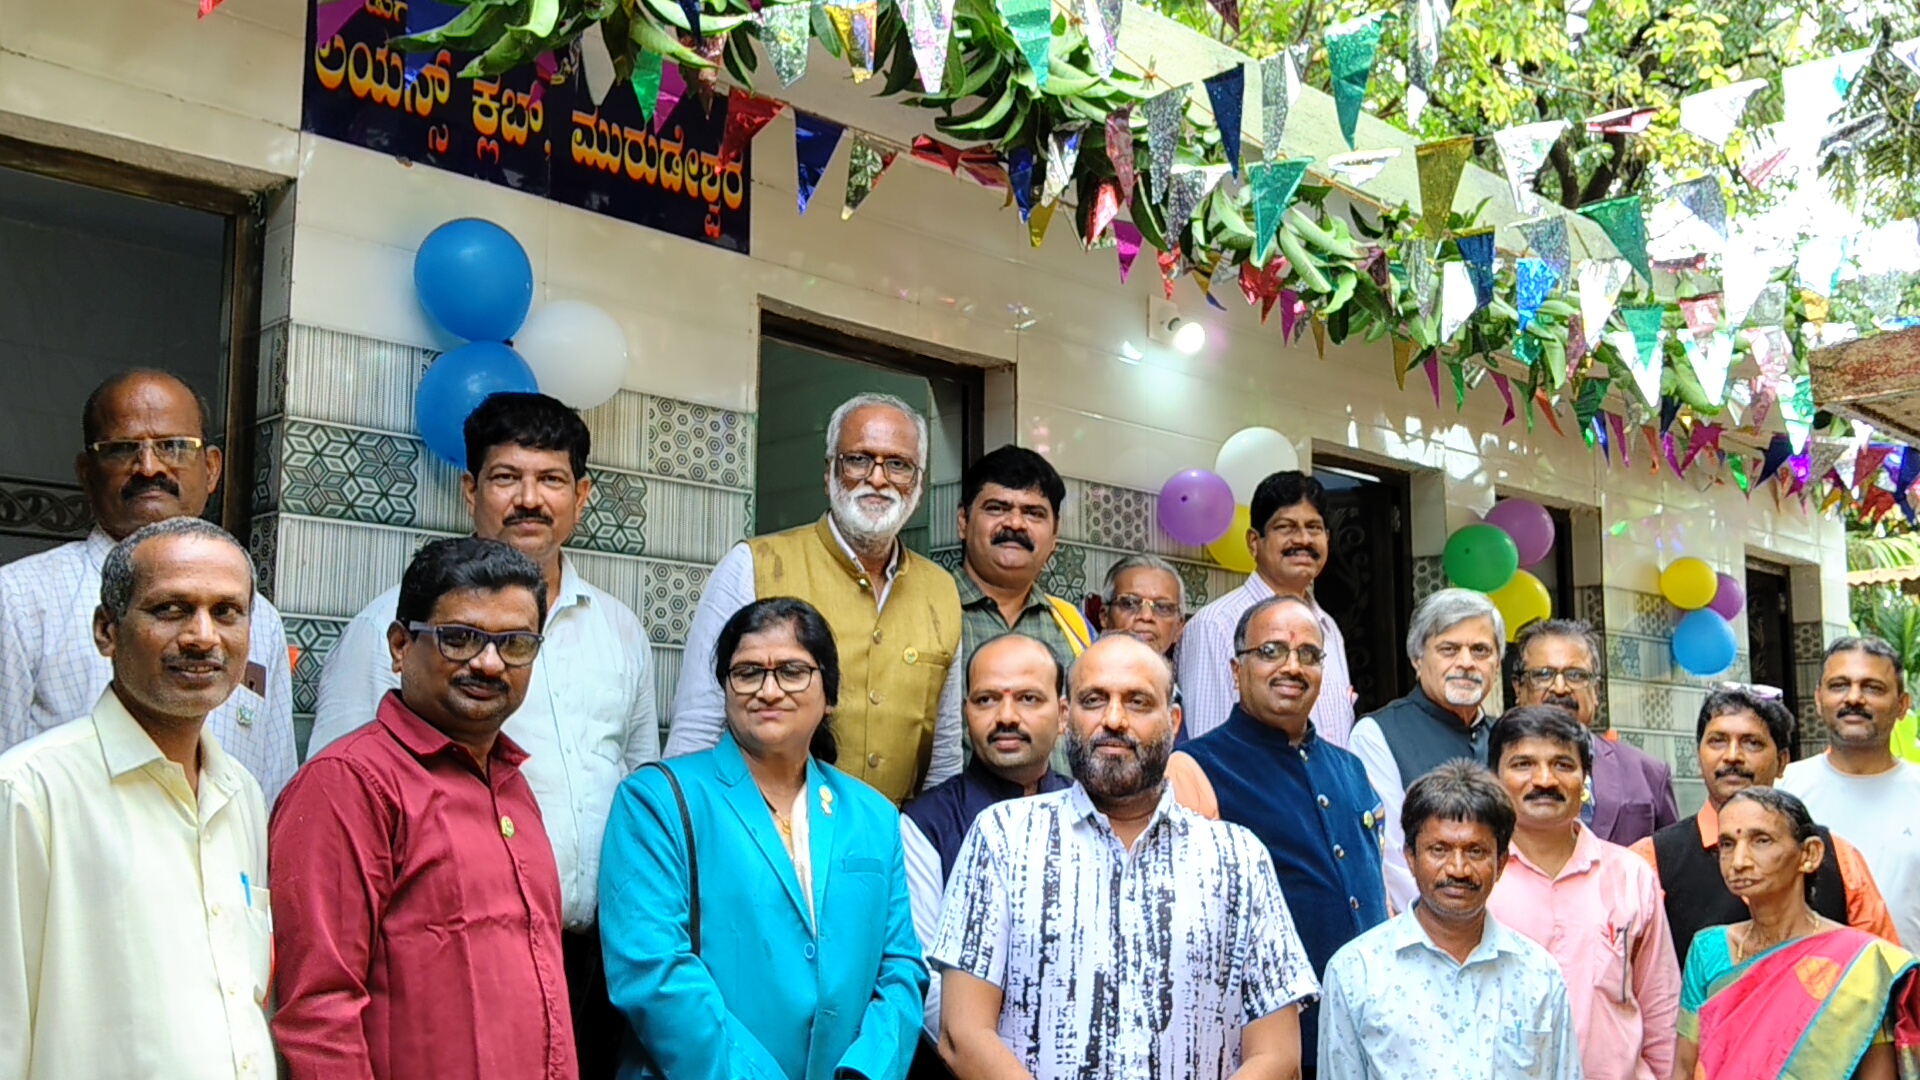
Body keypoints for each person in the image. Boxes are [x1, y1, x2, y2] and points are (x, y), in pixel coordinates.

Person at [311, 391, 654, 1076]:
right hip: (444, 962)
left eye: (551, 479)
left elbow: (639, 781)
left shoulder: (620, 629)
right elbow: (336, 796)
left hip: (597, 964)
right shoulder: (401, 625)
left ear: (581, 496)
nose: (530, 499)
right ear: (471, 490)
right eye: (507, 478)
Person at [932, 634, 1318, 1080]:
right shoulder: (1002, 837)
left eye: (1137, 702)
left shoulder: (1238, 858)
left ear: (1173, 721)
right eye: (1094, 700)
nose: (1113, 720)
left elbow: (1278, 1056)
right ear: (1065, 717)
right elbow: (962, 1034)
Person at [271, 537, 576, 1079]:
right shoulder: (350, 785)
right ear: (398, 646)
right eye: (459, 638)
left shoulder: (513, 786)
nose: (488, 663)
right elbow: (320, 1013)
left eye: (515, 644)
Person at [599, 597, 926, 1080]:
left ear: (829, 691)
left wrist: (866, 1072)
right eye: (747, 672)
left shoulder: (873, 815)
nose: (768, 690)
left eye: (792, 671)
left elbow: (900, 968)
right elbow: (653, 973)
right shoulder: (656, 801)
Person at [0, 517, 274, 1079]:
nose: (203, 636)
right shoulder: (29, 794)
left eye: (227, 612)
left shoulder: (240, 794)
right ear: (107, 631)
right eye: (170, 609)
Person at [0, 369, 295, 802]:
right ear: (86, 473)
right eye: (122, 450)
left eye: (174, 446)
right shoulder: (18, 600)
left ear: (211, 469)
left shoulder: (259, 619)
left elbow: (273, 787)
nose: (149, 467)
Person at [668, 393, 962, 806]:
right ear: (828, 474)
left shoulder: (941, 591)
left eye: (898, 465)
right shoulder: (752, 565)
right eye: (858, 459)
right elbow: (698, 730)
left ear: (918, 482)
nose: (877, 478)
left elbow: (944, 759)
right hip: (761, 836)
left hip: (889, 847)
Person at [1166, 594, 1389, 1077]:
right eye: (1271, 651)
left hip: (1370, 1037)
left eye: (1308, 654)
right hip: (1265, 1048)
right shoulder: (1195, 769)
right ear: (1235, 668)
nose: (1292, 666)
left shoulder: (1349, 768)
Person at [1317, 762, 1581, 1080]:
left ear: (1500, 863)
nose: (1457, 869)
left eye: (1475, 851)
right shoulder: (1356, 972)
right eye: (1439, 850)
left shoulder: (1539, 975)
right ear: (1411, 857)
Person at [899, 633, 1070, 1069]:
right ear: (965, 713)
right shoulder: (926, 824)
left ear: (1064, 714)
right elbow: (924, 981)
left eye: (1029, 699)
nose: (1006, 717)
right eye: (987, 700)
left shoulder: (1089, 813)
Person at [1630, 686, 1897, 963]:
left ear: (1782, 762)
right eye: (1717, 741)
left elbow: (1882, 974)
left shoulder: (1834, 856)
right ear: (1699, 758)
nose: (1732, 756)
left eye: (1752, 743)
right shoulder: (1650, 861)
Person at [1483, 706, 1679, 1080]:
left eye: (1563, 765)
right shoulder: (1476, 881)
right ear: (1495, 778)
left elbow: (1661, 1006)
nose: (1544, 779)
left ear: (1586, 779)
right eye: (1523, 764)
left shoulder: (1630, 875)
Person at [1672, 787, 1920, 1080]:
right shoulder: (1708, 949)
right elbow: (1685, 1068)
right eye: (1727, 844)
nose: (1738, 861)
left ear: (1809, 854)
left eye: (1761, 840)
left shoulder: (1861, 964)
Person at [1347, 588, 1504, 910]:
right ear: (1417, 659)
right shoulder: (1378, 735)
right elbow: (1391, 859)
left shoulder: (1508, 740)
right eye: (1449, 649)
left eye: (1480, 650)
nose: (1466, 663)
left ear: (1497, 664)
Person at [1179, 471, 1354, 744]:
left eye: (1314, 527)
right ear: (1253, 542)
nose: (1303, 540)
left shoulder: (1328, 627)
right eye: (1286, 527)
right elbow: (1209, 752)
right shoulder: (1216, 624)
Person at [1779, 636, 1920, 951]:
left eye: (1873, 687)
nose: (1854, 698)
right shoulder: (1784, 791)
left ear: (1902, 705)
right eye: (1839, 685)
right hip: (1809, 989)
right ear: (1818, 700)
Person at [1509, 619, 1677, 846]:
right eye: (1543, 674)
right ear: (1518, 688)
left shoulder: (1648, 774)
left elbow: (1672, 868)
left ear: (1596, 690)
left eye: (1576, 675)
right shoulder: (1492, 770)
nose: (1560, 688)